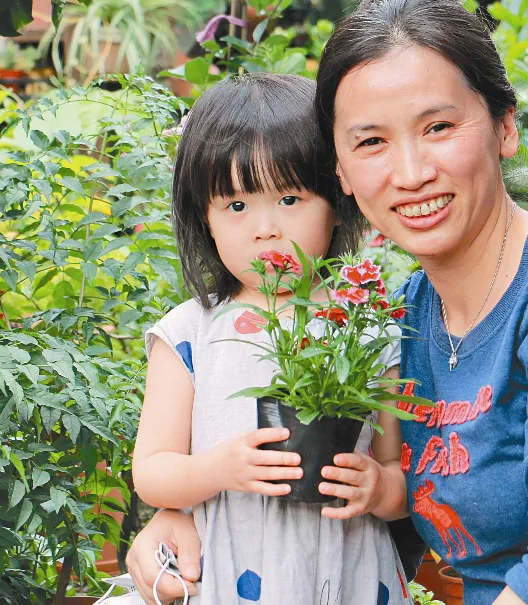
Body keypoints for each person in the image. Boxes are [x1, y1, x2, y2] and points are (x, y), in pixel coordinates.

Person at [129, 0, 528, 605]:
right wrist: (172, 515)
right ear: (344, 173)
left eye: (438, 126)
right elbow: (391, 518)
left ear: (504, 128)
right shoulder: (403, 321)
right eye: (372, 141)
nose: (410, 172)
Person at [131, 73, 413, 605]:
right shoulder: (190, 334)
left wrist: (378, 488)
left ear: (336, 199)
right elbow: (152, 472)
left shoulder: (367, 327)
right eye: (236, 206)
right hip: (229, 570)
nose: (265, 229)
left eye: (289, 198)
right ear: (205, 219)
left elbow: (397, 472)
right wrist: (218, 469)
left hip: (347, 570)